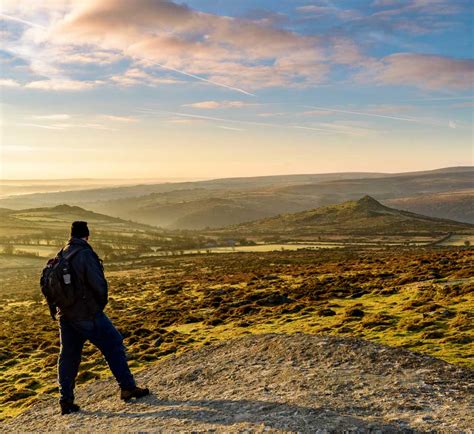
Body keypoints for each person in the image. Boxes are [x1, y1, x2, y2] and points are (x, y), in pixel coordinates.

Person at [49, 221, 149, 415]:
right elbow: (99, 284)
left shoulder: (62, 254)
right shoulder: (85, 254)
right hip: (87, 314)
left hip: (66, 315)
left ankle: (66, 401)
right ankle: (127, 387)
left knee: (68, 358)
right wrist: (98, 308)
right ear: (87, 235)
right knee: (114, 343)